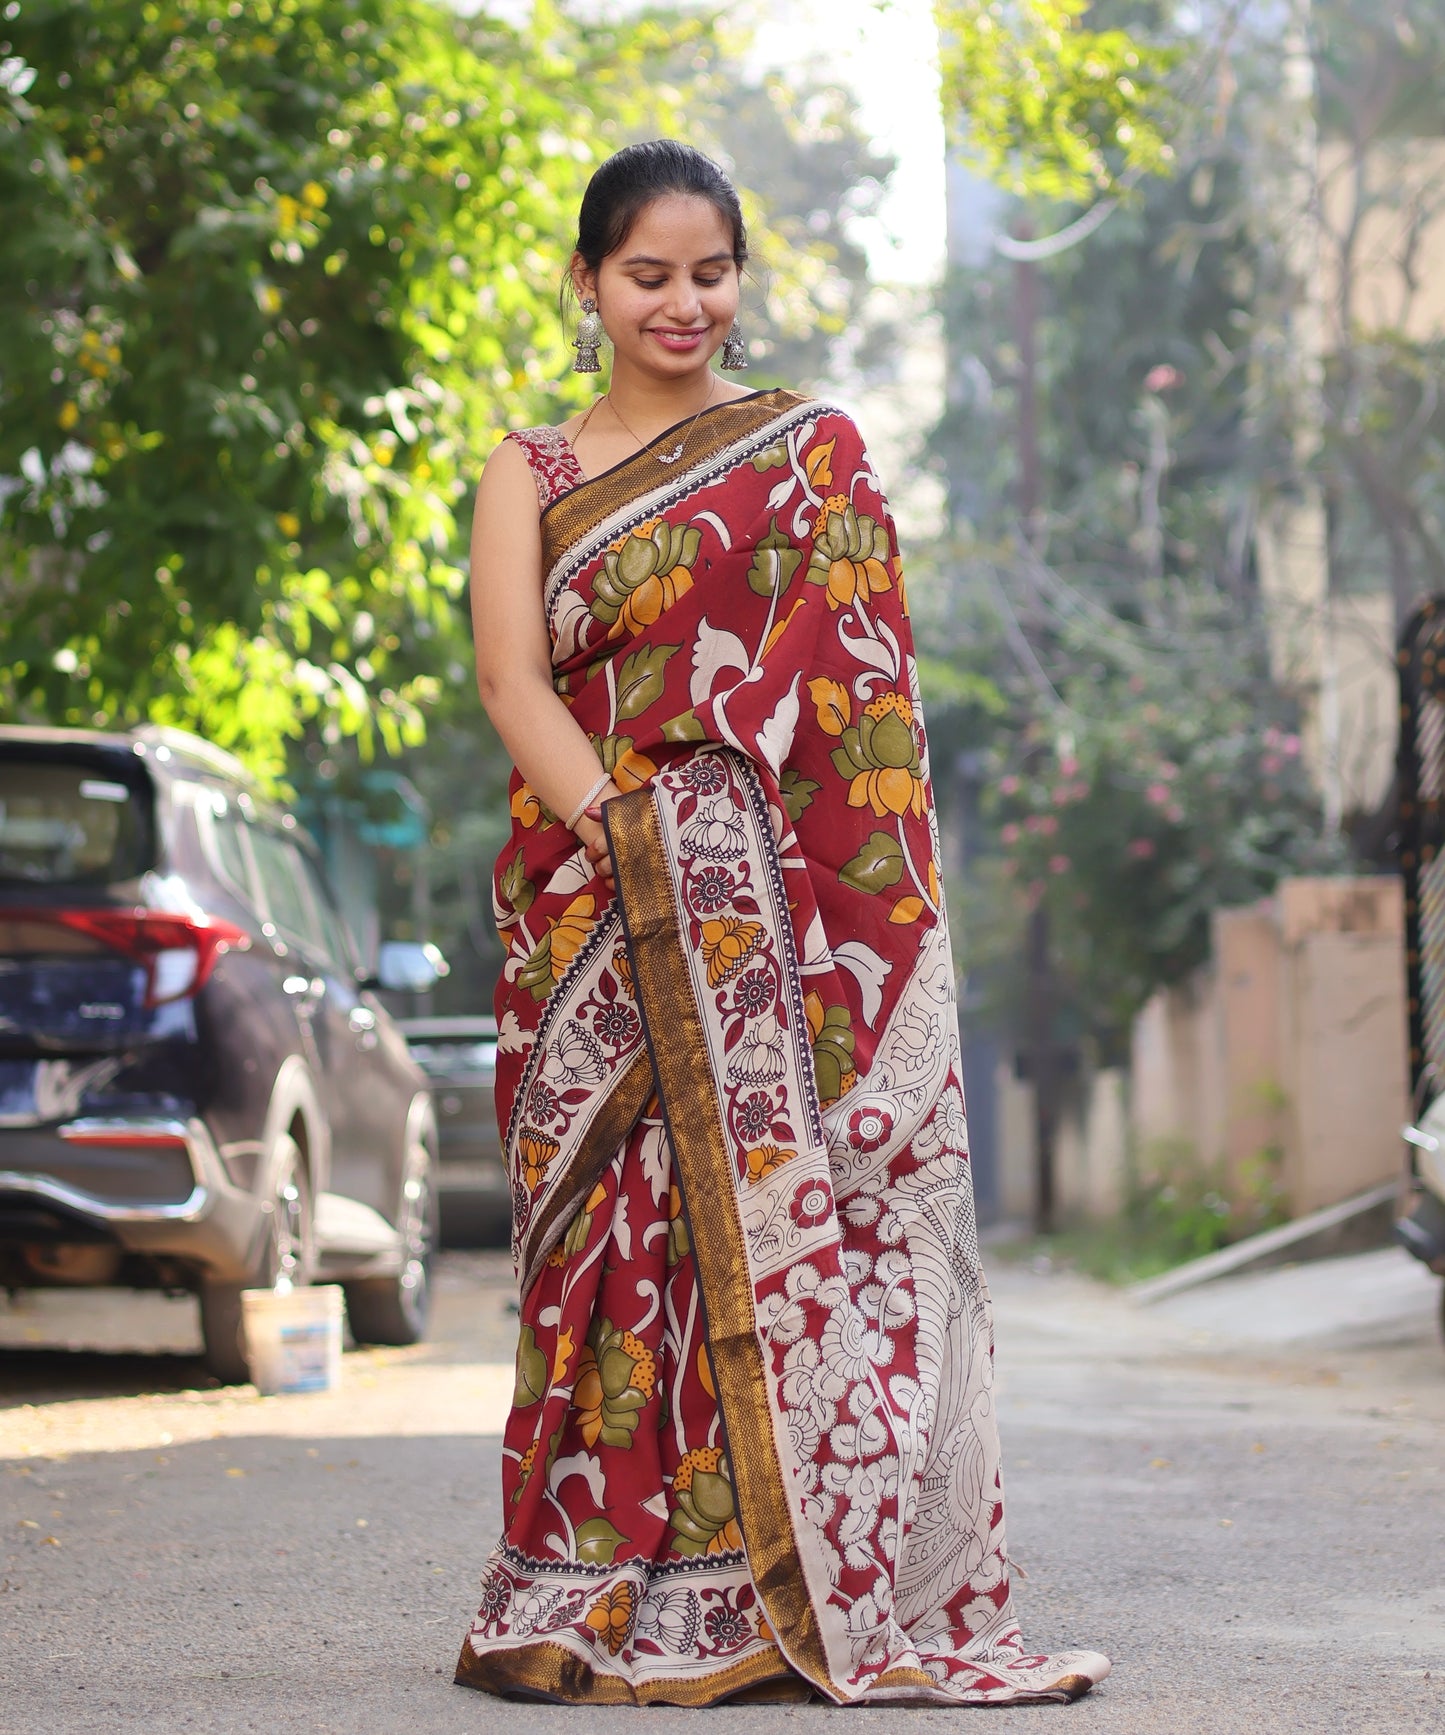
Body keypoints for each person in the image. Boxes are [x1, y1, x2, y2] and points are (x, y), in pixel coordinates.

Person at [456, 138, 1109, 1708]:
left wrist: (773, 896)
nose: (681, 304)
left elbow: (860, 702)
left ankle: (777, 1591)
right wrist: (632, 842)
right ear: (587, 282)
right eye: (646, 275)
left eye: (708, 273)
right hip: (593, 908)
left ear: (737, 280)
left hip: (791, 929)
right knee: (608, 1253)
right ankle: (588, 1575)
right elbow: (510, 680)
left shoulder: (810, 452)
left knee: (782, 1243)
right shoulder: (530, 470)